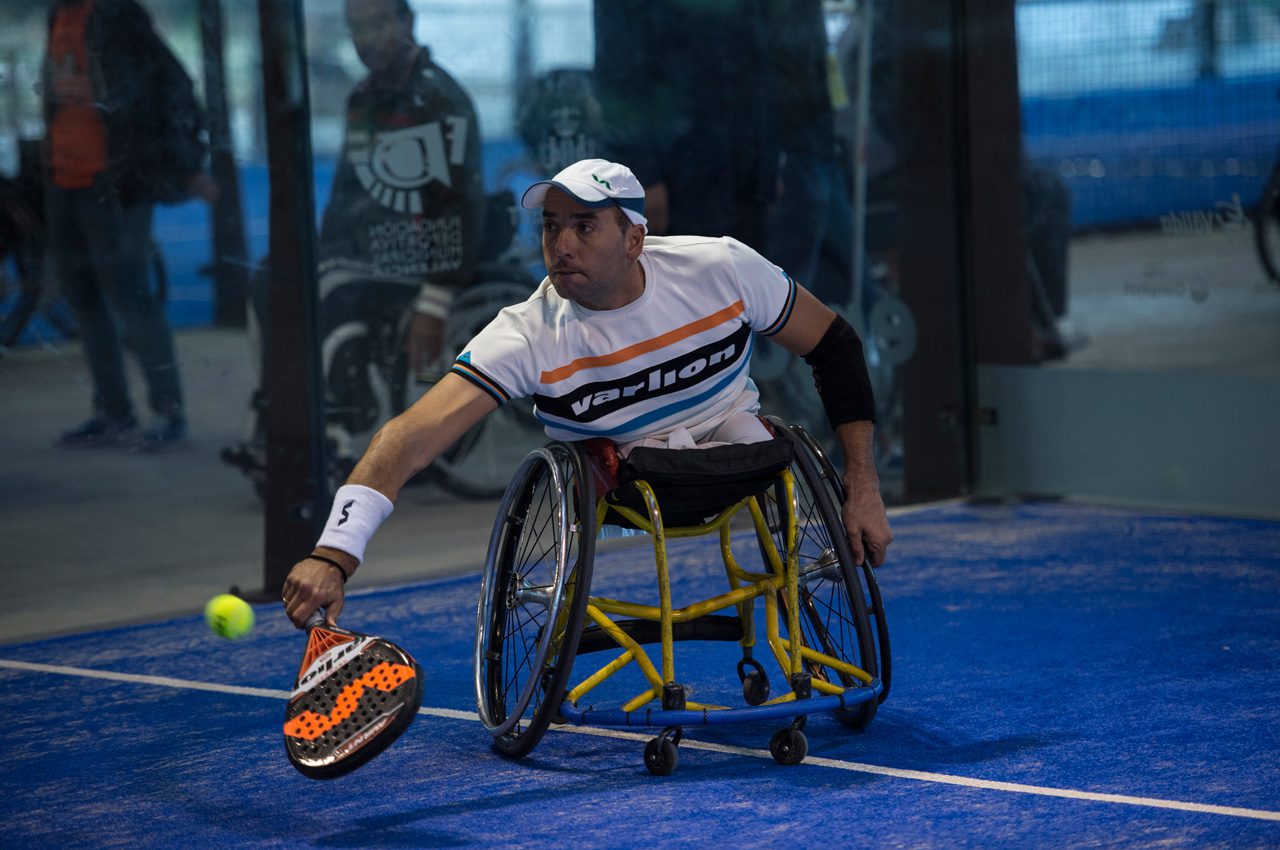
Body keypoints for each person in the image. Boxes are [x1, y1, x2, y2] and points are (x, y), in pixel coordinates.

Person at [282, 158, 893, 628]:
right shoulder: (525, 336)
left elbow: (834, 344)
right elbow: (409, 437)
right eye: (551, 226)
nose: (562, 244)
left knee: (762, 443)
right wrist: (335, 553)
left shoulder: (722, 268)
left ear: (634, 239)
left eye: (584, 226)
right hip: (623, 478)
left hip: (737, 446)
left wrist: (862, 489)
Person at [222, 0, 486, 479]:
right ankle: (275, 416)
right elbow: (346, 194)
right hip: (363, 255)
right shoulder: (364, 98)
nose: (366, 39)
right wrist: (318, 253)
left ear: (407, 23)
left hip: (419, 261)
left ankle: (339, 426)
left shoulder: (439, 98)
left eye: (378, 24)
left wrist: (436, 299)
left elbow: (460, 206)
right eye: (356, 29)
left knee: (332, 291)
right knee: (272, 280)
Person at [42, 0, 213, 451]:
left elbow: (171, 86)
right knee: (86, 299)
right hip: (66, 177)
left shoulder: (117, 15)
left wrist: (177, 164)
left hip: (114, 181)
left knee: (132, 295)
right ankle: (113, 411)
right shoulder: (59, 15)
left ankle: (167, 409)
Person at [592, 0, 778, 249]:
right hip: (675, 175)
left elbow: (760, 63)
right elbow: (618, 76)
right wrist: (643, 176)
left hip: (742, 172)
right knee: (671, 273)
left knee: (740, 277)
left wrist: (767, 168)